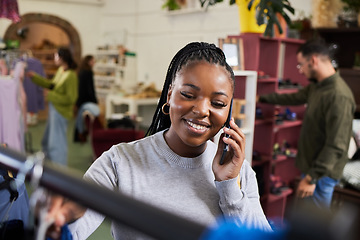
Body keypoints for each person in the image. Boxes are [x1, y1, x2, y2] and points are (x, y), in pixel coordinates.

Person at [46, 42, 271, 239]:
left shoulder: (239, 172)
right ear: (169, 94)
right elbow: (75, 224)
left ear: (228, 111)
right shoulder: (120, 161)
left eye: (218, 103)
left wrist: (229, 185)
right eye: (188, 95)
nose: (202, 110)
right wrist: (61, 219)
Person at [258, 39, 356, 209]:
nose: (301, 70)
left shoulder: (338, 96)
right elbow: (293, 97)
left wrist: (311, 178)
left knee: (314, 226)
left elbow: (336, 145)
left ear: (313, 60)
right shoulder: (318, 87)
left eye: (300, 65)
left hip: (321, 174)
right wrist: (260, 98)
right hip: (313, 169)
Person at [27, 47, 78, 166]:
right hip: (54, 109)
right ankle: (48, 165)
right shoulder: (61, 71)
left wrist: (50, 95)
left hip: (61, 112)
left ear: (62, 57)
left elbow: (71, 98)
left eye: (56, 56)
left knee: (57, 143)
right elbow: (51, 85)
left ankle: (59, 171)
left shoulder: (71, 76)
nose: (54, 58)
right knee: (47, 140)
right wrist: (34, 77)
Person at [74, 55, 99, 143]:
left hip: (80, 97)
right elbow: (90, 88)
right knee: (87, 118)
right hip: (86, 98)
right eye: (92, 61)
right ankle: (83, 135)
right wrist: (94, 99)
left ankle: (78, 136)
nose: (94, 63)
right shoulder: (88, 72)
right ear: (88, 61)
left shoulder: (81, 71)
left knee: (79, 118)